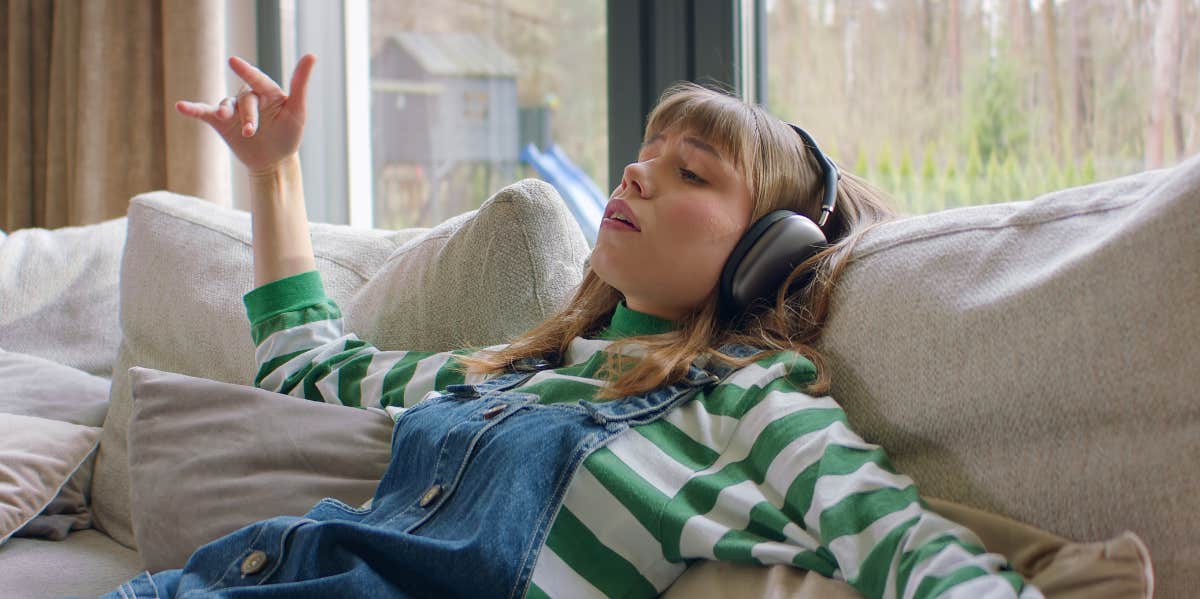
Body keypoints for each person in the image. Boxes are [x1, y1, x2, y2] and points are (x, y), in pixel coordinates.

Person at [103, 54, 1043, 598]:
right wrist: (274, 176)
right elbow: (308, 367)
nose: (636, 175)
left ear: (763, 248)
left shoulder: (746, 401)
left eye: (693, 172)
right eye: (646, 153)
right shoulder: (518, 370)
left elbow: (910, 551)